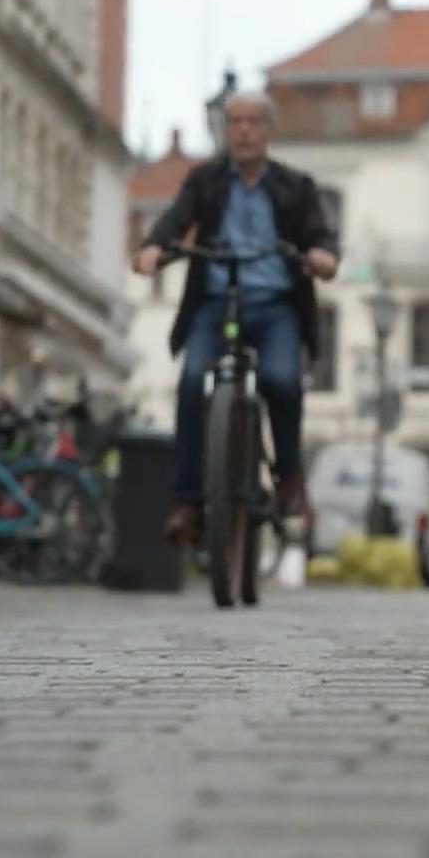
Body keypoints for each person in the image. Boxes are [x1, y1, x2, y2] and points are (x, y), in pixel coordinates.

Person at [133, 91, 340, 544]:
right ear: (224, 130)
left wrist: (322, 255)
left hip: (275, 304)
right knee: (190, 382)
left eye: (252, 122)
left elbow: (319, 232)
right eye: (235, 122)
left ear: (268, 130)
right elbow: (175, 220)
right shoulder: (205, 181)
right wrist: (154, 249)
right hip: (214, 302)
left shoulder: (294, 185)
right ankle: (187, 501)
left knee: (282, 380)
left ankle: (288, 476)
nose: (243, 131)